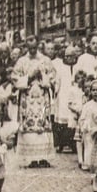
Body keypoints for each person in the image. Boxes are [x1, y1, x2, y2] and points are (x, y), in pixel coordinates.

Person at [12, 35, 56, 168]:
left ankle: (43, 157)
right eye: (29, 47)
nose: (32, 50)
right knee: (29, 126)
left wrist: (43, 76)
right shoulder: (21, 61)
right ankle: (31, 158)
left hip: (42, 98)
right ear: (26, 47)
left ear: (38, 46)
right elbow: (14, 78)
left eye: (34, 47)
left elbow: (53, 77)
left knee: (42, 124)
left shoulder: (46, 60)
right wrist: (29, 77)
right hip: (28, 98)